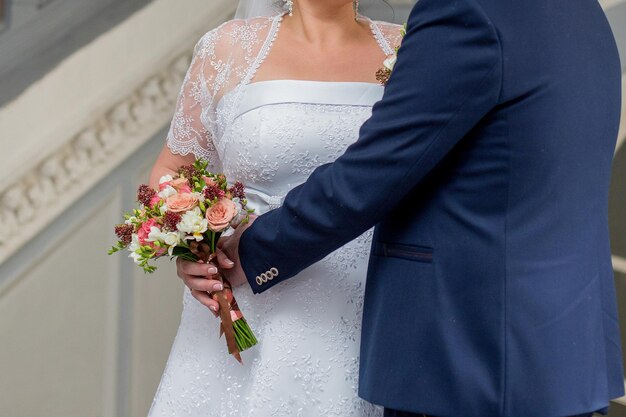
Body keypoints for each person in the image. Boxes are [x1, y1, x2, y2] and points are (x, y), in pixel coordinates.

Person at [201, 0, 626, 416]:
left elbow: (376, 169)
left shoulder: (466, 10)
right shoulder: (582, 11)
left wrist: (254, 249)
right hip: (561, 353)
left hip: (473, 358)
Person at [147, 0, 402, 416]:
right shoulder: (226, 49)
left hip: (365, 306)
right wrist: (191, 249)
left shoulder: (404, 52)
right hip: (247, 301)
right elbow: (172, 172)